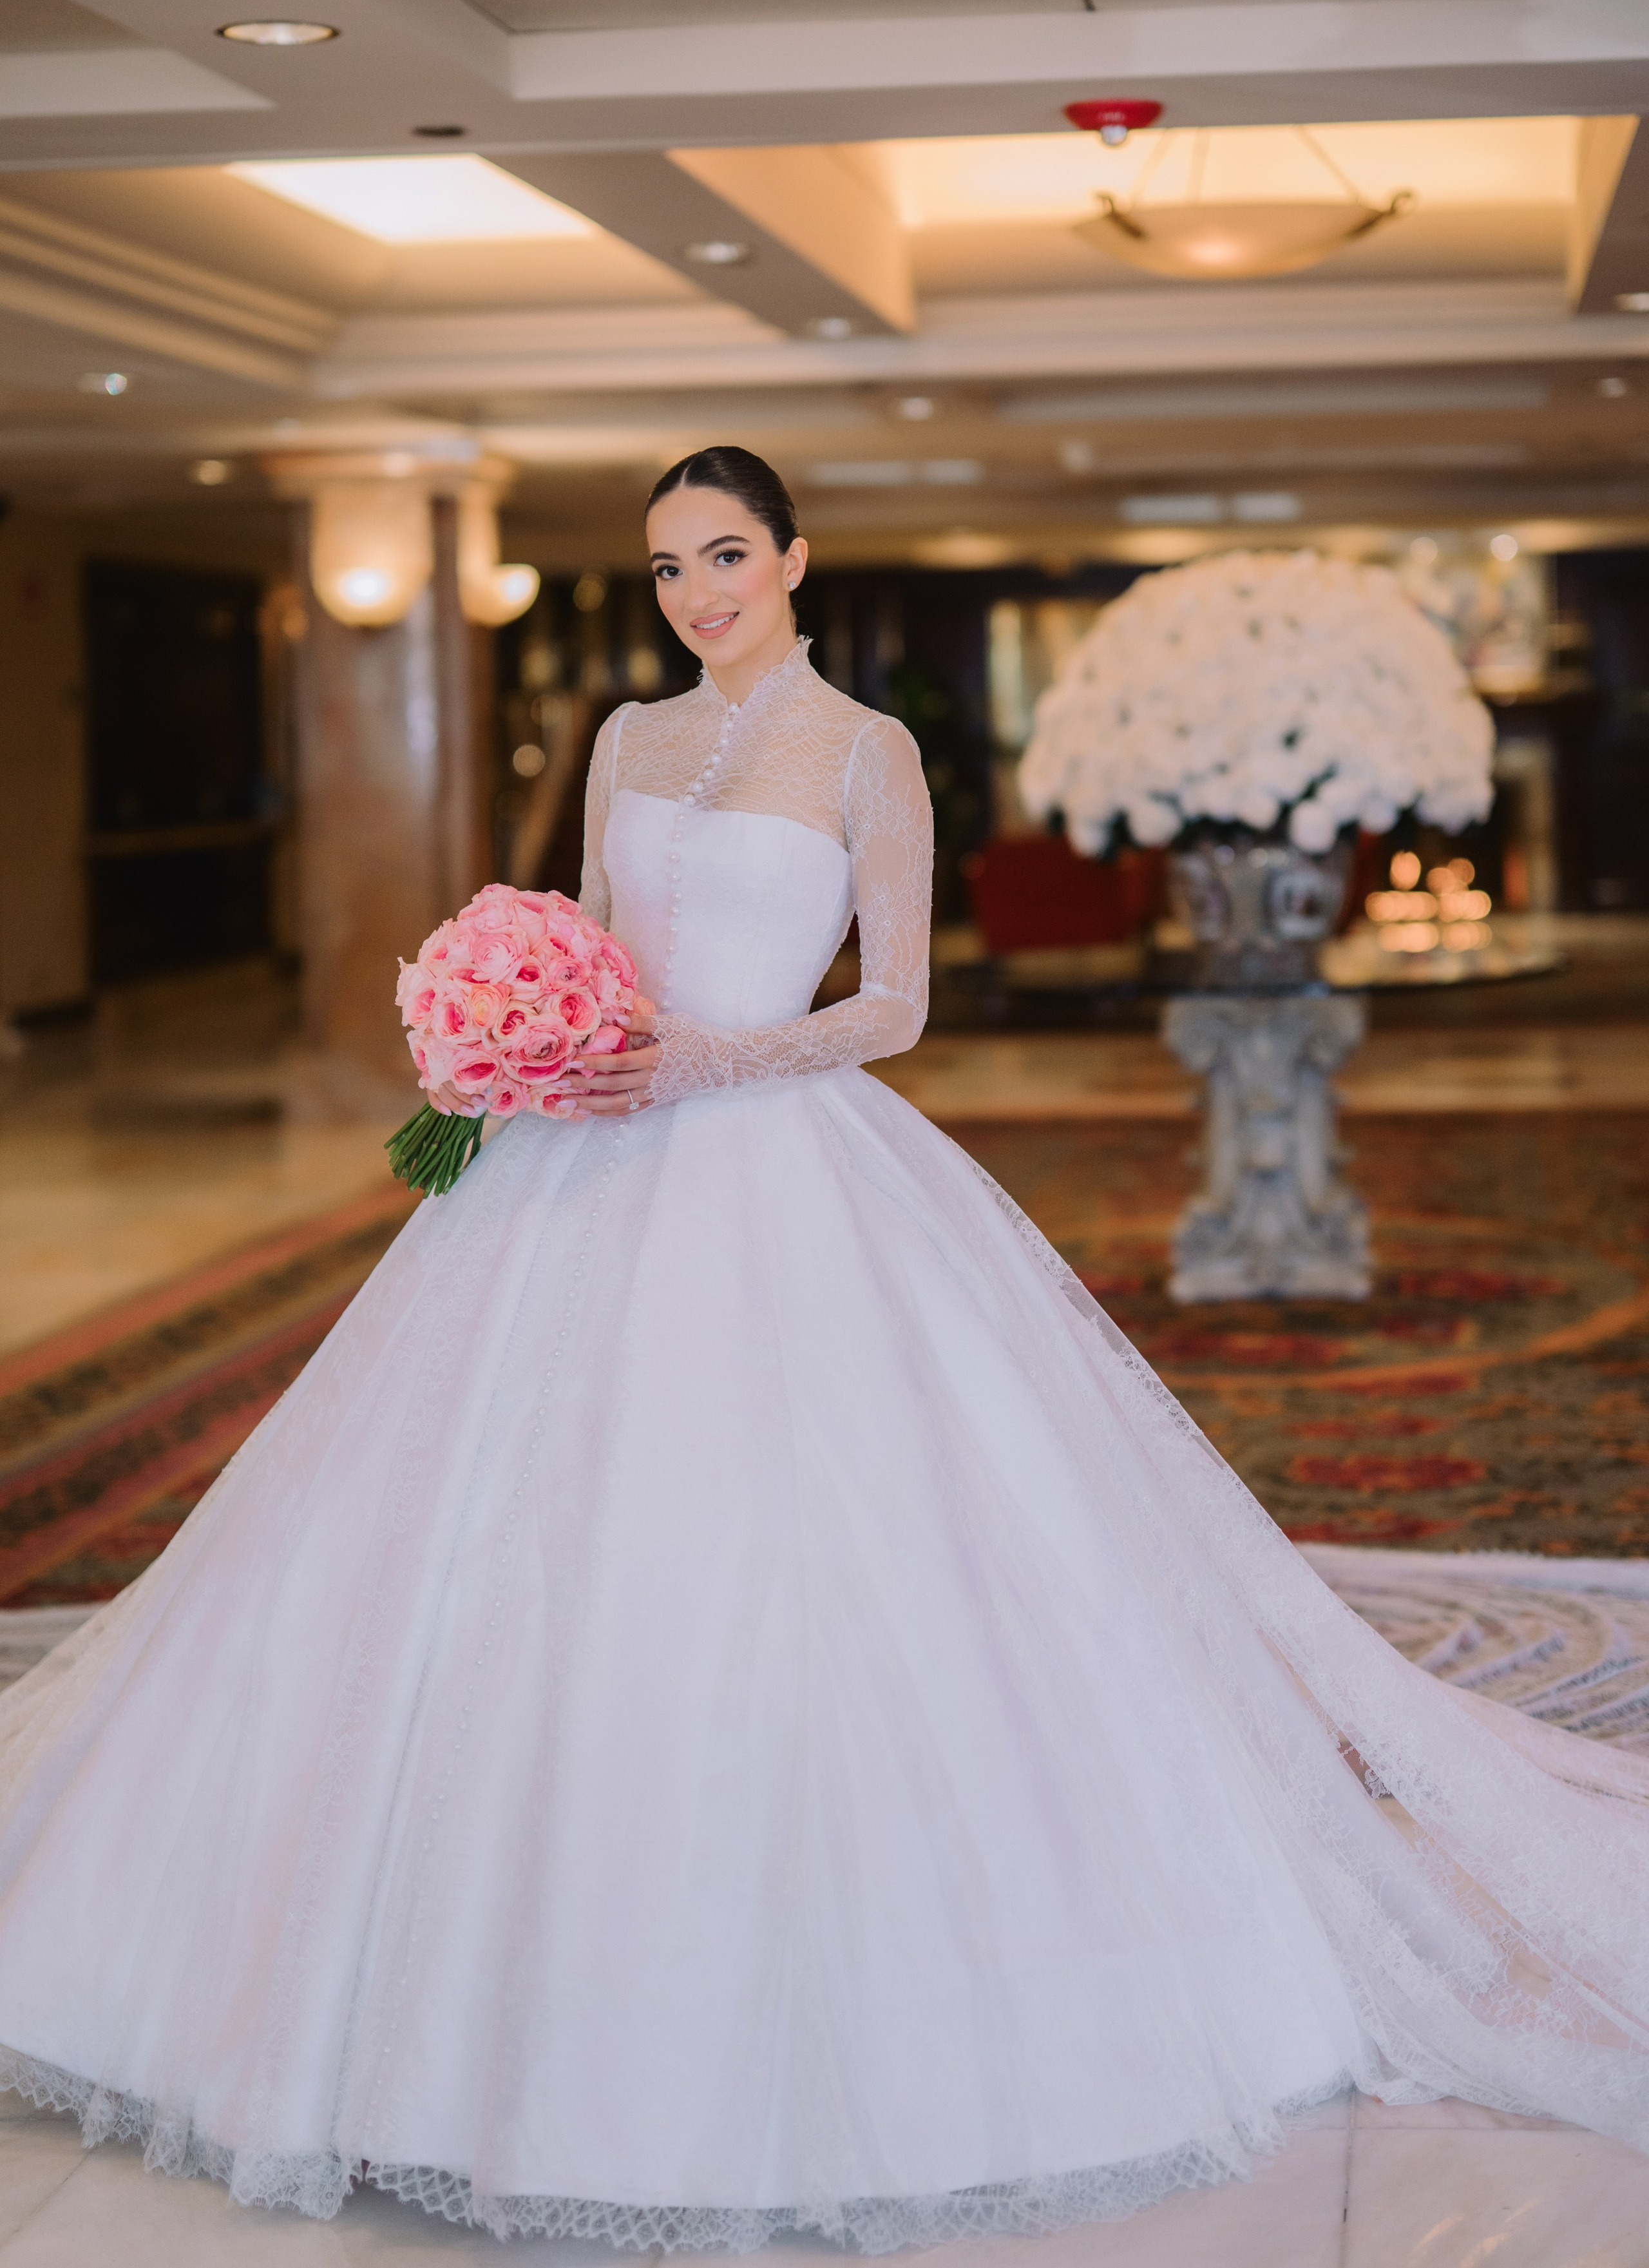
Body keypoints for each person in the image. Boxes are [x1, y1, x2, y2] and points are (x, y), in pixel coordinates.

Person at [0, 445, 1644, 2251]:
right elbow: (598, 938)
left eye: (725, 555)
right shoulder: (626, 738)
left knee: (801, 1547)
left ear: (791, 557)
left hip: (773, 1151)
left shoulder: (869, 749)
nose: (697, 594)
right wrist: (523, 1032)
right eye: (667, 567)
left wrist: (711, 1059)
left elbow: (900, 1002)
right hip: (574, 1164)